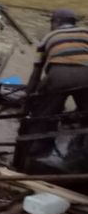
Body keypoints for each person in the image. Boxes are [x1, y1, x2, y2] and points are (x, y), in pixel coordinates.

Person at [22, 8, 88, 156]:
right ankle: (81, 148)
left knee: (46, 113)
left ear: (56, 22)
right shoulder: (86, 32)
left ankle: (37, 149)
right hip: (86, 75)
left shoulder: (48, 37)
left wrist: (29, 97)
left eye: (51, 22)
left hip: (58, 75)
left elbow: (36, 72)